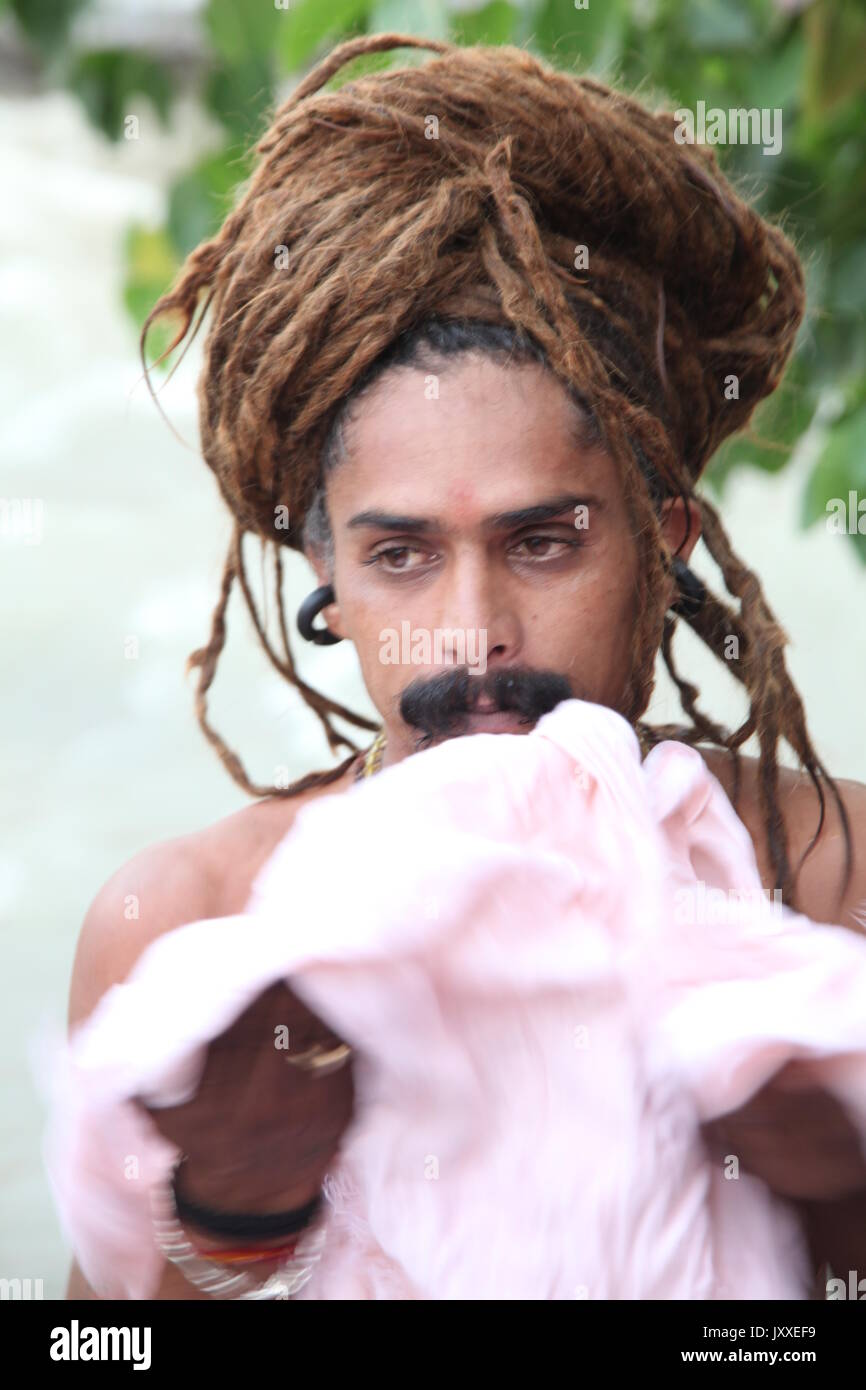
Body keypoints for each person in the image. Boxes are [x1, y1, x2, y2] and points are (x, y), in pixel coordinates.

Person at [65, 32, 866, 1299]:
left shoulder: (825, 886)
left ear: (661, 548)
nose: (472, 630)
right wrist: (228, 1217)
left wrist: (838, 1213)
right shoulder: (199, 930)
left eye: (542, 542)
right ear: (325, 577)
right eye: (401, 556)